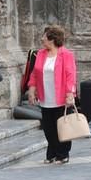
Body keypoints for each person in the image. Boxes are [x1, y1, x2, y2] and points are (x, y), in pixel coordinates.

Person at [27, 25, 77, 165]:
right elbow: (34, 74)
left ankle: (63, 154)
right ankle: (52, 153)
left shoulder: (66, 55)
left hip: (60, 97)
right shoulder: (41, 54)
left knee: (62, 127)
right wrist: (31, 90)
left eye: (44, 36)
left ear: (52, 39)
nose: (42, 38)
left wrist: (70, 93)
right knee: (49, 128)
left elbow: (70, 75)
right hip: (45, 97)